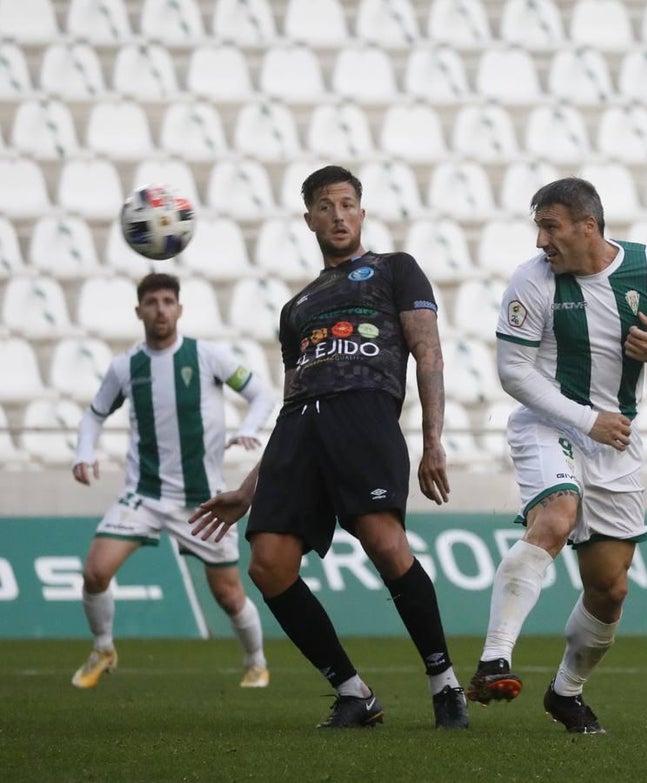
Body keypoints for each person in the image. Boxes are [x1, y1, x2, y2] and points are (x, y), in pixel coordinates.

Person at [188, 164, 469, 730]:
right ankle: (353, 693)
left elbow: (428, 352)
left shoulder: (396, 268)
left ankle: (444, 684)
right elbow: (292, 397)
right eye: (325, 206)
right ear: (309, 219)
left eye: (346, 204)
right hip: (300, 428)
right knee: (268, 566)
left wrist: (433, 440)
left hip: (363, 412)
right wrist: (248, 489)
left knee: (384, 542)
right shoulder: (296, 308)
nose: (338, 216)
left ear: (361, 212)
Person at [465, 177, 647, 734]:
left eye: (551, 228)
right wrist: (588, 419)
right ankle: (495, 659)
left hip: (616, 440)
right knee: (556, 516)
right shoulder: (532, 280)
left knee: (610, 588)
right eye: (538, 228)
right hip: (550, 424)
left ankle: (566, 692)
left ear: (588, 227)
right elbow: (513, 372)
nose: (541, 241)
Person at [71, 272, 275, 689]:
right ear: (139, 311)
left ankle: (256, 662)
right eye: (152, 302)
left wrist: (249, 427)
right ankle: (103, 648)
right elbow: (94, 415)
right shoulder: (125, 367)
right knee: (95, 572)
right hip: (143, 494)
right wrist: (83, 452)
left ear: (179, 309)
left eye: (167, 301)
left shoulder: (207, 356)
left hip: (203, 499)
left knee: (228, 594)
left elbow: (262, 394)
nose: (160, 310)